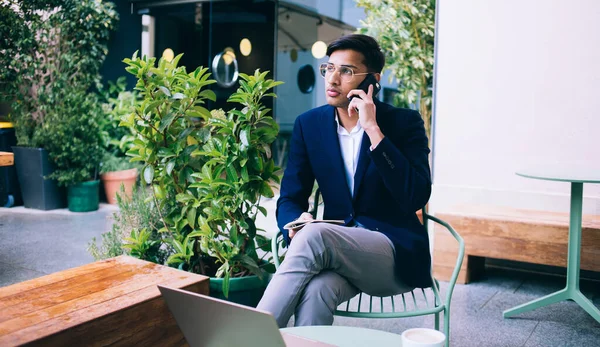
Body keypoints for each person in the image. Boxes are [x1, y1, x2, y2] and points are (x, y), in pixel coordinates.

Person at [257, 34, 432, 328]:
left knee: (317, 235)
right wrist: (297, 220)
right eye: (329, 68)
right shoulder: (309, 125)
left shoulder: (403, 123)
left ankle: (249, 338)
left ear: (373, 81)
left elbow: (415, 196)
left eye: (346, 71)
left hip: (392, 255)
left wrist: (374, 131)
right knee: (316, 290)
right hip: (338, 252)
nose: (332, 79)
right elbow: (289, 197)